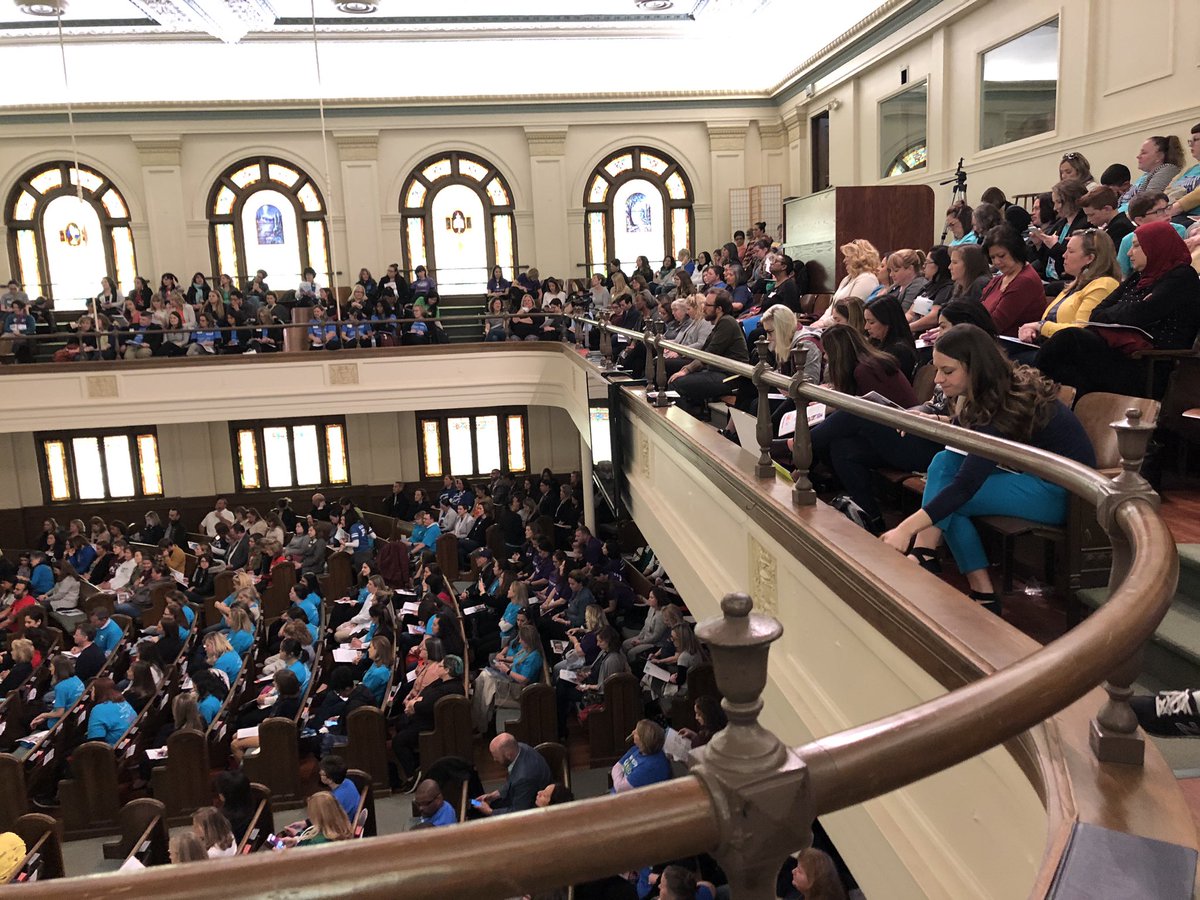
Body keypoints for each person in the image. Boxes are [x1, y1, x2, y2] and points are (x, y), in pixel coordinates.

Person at [882, 324, 1097, 614]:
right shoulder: (996, 388)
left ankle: (950, 569)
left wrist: (904, 529)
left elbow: (966, 485)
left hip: (1064, 494)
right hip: (1030, 476)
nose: (938, 379)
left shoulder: (1003, 404)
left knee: (953, 498)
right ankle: (931, 558)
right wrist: (933, 420)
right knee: (943, 463)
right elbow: (971, 432)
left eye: (947, 371)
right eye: (937, 369)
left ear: (975, 368)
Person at [1035, 220, 1200, 397]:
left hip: (1149, 364)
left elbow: (1140, 314)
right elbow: (1097, 313)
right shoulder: (1138, 277)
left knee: (1070, 339)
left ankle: (1029, 392)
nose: (1129, 253)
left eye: (1136, 246)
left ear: (1157, 246)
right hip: (1120, 353)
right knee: (1065, 370)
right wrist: (1130, 309)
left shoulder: (1182, 277)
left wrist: (1125, 310)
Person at [1015, 229, 1122, 350]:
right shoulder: (1077, 283)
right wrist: (1032, 330)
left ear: (1090, 258)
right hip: (1050, 347)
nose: (1064, 255)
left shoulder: (1104, 285)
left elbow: (1081, 330)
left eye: (1070, 251)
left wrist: (1040, 326)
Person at [668, 289, 750, 417]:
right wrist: (686, 368)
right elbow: (705, 352)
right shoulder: (720, 323)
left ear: (719, 309)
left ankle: (682, 424)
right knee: (675, 372)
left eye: (707, 305)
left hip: (731, 376)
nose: (703, 308)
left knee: (676, 384)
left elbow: (710, 353)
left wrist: (686, 370)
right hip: (718, 371)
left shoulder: (727, 322)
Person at [978, 226, 1048, 337]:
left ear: (1016, 251)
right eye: (992, 257)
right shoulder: (999, 278)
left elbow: (995, 324)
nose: (996, 262)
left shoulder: (1025, 281)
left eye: (1001, 256)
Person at [472, 733, 553, 815]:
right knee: (487, 803)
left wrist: (490, 811)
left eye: (496, 756)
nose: (494, 759)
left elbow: (519, 812)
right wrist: (493, 795)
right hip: (523, 793)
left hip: (532, 810)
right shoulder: (519, 747)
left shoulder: (524, 777)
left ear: (508, 755)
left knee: (481, 813)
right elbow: (513, 779)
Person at [1118, 135, 1185, 210]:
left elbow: (1147, 201)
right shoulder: (1146, 176)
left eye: (1144, 153)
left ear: (1159, 156)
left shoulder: (1168, 170)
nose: (1138, 156)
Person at [611, 719, 670, 793]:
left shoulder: (651, 766)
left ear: (644, 739)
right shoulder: (636, 749)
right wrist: (619, 781)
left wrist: (618, 779)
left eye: (636, 732)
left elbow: (620, 788)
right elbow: (616, 767)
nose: (633, 732)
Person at [285, 791, 353, 847]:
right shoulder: (342, 829)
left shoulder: (317, 843)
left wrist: (284, 851)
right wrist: (297, 837)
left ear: (317, 816)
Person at [87, 676, 137, 745]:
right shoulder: (122, 701)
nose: (91, 693)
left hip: (111, 747)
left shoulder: (98, 710)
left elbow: (95, 743)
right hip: (129, 741)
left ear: (98, 692)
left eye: (92, 690)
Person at [319, 755, 361, 820]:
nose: (319, 773)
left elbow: (327, 820)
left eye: (322, 774)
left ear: (330, 779)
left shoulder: (335, 800)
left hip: (344, 824)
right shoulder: (348, 782)